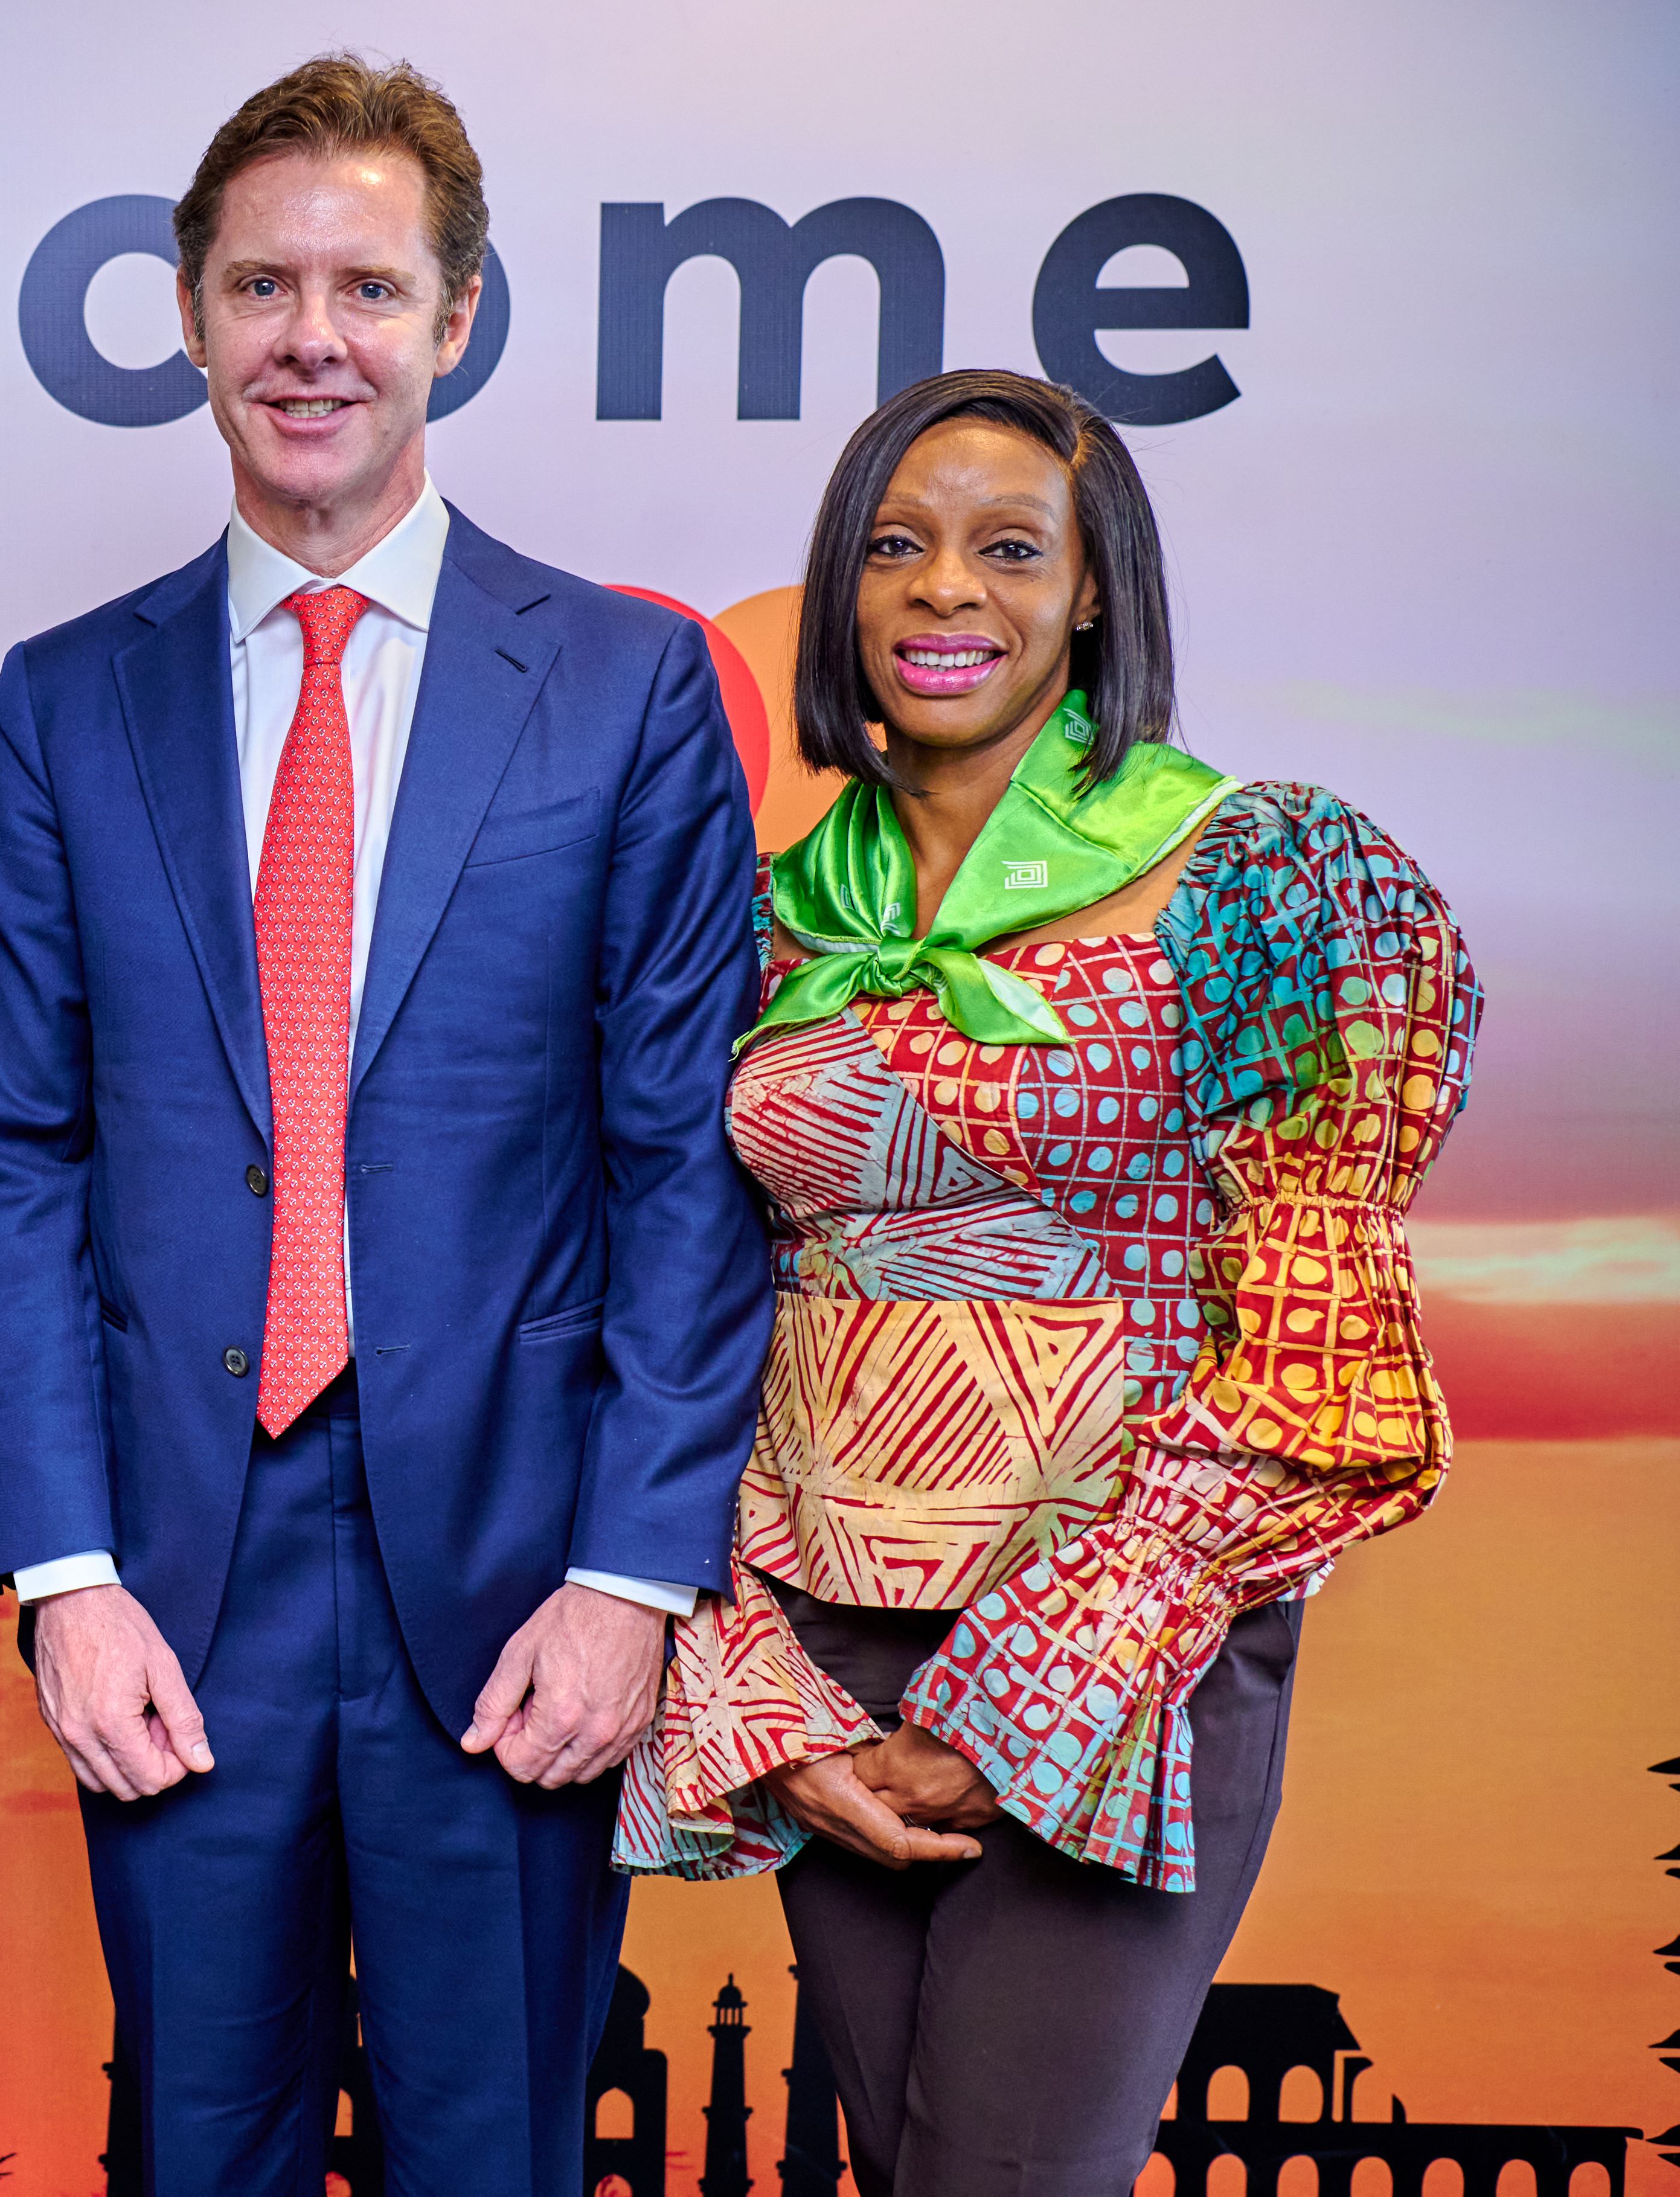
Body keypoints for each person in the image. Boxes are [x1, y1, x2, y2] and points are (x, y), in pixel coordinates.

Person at [0, 54, 771, 2193]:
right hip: (173, 1584)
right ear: (193, 318)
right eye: (262, 285)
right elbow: (7, 1156)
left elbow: (684, 1160)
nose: (315, 337)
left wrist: (631, 1574)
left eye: (369, 288)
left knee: (490, 2153)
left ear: (456, 319)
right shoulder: (64, 700)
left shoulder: (624, 687)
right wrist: (59, 1573)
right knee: (193, 2153)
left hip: (511, 1588)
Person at [616, 368, 1478, 2195]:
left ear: (1094, 593)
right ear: (841, 590)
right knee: (901, 2166)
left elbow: (1314, 1365)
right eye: (899, 549)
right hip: (832, 1653)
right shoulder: (773, 914)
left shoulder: (1257, 881)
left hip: (1120, 1652)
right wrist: (754, 1684)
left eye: (1011, 550)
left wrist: (1014, 1712)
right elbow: (692, 1312)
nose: (948, 591)